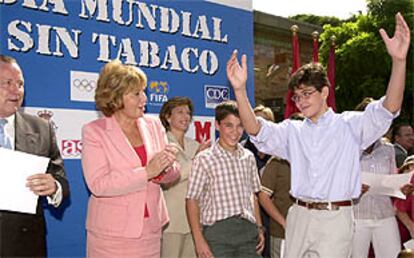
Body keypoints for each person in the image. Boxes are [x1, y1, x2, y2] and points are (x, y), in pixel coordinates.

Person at [226, 12, 410, 258]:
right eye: (297, 96)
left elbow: (389, 108)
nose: (301, 101)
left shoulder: (350, 126)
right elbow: (255, 129)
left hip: (336, 218)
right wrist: (239, 90)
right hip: (299, 214)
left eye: (307, 94)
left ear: (324, 92)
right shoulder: (293, 130)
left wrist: (399, 62)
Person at [81, 60, 180, 258]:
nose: (144, 98)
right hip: (111, 237)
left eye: (144, 91)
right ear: (116, 97)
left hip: (150, 231)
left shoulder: (153, 125)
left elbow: (172, 172)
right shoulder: (94, 131)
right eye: (136, 93)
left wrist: (166, 168)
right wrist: (147, 172)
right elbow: (99, 184)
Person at [0, 55, 69, 257]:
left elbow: (61, 180)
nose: (16, 90)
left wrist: (54, 187)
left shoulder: (41, 128)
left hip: (25, 243)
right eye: (7, 83)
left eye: (20, 84)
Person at [186, 101, 265, 258]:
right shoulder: (204, 159)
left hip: (248, 232)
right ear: (217, 125)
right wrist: (198, 239)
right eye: (229, 125)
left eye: (240, 126)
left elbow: (253, 195)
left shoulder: (248, 157)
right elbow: (192, 200)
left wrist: (259, 227)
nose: (235, 132)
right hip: (217, 234)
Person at [159, 97, 210, 258]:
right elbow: (168, 179)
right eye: (180, 112)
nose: (185, 116)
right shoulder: (161, 143)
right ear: (168, 117)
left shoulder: (195, 145)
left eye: (188, 113)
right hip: (171, 221)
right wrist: (196, 160)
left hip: (194, 221)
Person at [395, 155, 414, 245]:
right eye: (407, 168)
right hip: (402, 235)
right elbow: (399, 209)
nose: (410, 171)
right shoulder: (405, 186)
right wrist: (411, 227)